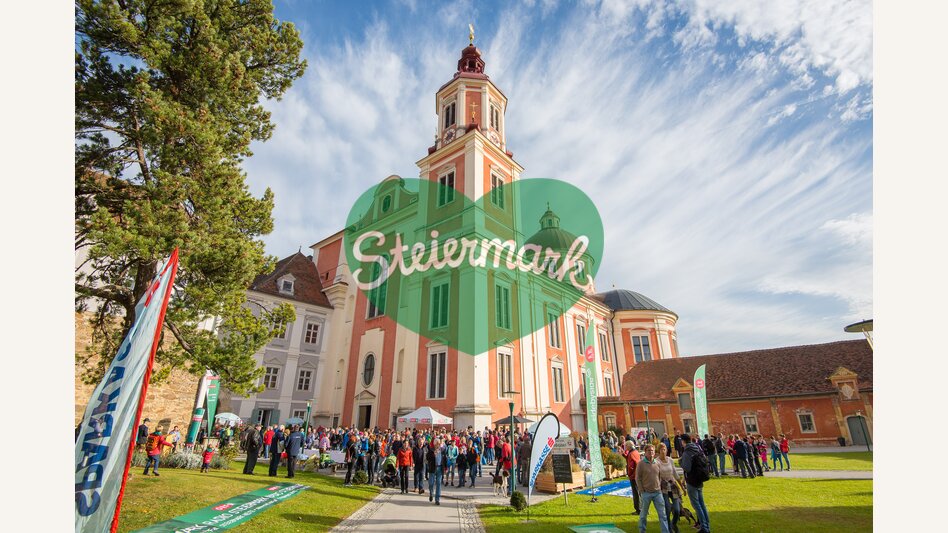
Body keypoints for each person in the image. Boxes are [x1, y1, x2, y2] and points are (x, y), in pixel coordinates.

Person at [680, 434, 711, 533]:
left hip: (692, 480)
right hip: (699, 479)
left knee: (697, 505)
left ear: (683, 441)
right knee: (702, 504)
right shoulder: (697, 448)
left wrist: (681, 462)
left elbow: (687, 468)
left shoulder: (687, 452)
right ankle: (707, 526)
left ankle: (704, 528)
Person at [635, 444, 670, 533]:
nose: (651, 452)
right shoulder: (641, 464)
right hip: (646, 493)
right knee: (643, 515)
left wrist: (659, 487)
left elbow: (659, 476)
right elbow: (638, 478)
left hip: (657, 492)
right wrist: (642, 490)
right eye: (649, 451)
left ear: (654, 453)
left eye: (652, 451)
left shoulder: (657, 463)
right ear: (645, 452)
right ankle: (642, 531)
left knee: (663, 515)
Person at [656, 443, 682, 533]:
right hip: (663, 486)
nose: (663, 451)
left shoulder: (670, 460)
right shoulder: (657, 461)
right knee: (667, 508)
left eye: (664, 449)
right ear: (658, 451)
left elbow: (675, 473)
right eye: (661, 450)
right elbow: (656, 475)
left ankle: (673, 523)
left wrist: (682, 486)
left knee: (677, 510)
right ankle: (669, 529)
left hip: (672, 485)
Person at [621, 440, 642, 515]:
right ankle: (642, 508)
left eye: (626, 446)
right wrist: (624, 455)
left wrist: (630, 474)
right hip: (636, 475)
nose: (625, 447)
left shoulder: (632, 453)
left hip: (634, 476)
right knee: (639, 492)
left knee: (636, 493)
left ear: (629, 446)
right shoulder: (635, 452)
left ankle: (639, 509)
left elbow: (633, 464)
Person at [426, 438, 447, 505]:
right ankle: (431, 493)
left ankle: (437, 499)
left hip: (440, 468)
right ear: (434, 444)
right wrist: (433, 454)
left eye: (439, 443)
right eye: (437, 443)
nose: (438, 444)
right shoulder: (431, 450)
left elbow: (444, 459)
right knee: (431, 483)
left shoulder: (442, 450)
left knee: (438, 484)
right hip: (432, 468)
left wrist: (445, 468)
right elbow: (427, 458)